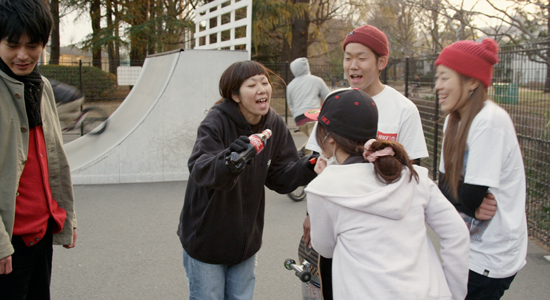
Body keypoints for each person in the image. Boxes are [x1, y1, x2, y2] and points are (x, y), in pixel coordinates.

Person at [302, 24, 430, 299]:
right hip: (335, 225)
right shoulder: (334, 101)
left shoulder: (404, 109)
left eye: (362, 57)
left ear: (381, 61)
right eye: (348, 57)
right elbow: (317, 160)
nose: (353, 65)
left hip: (383, 233)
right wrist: (311, 214)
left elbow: (413, 173)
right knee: (333, 287)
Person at [305, 88, 470, 300]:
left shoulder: (324, 190)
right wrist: (454, 294)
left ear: (330, 140)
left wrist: (326, 177)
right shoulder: (412, 176)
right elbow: (457, 233)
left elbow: (325, 248)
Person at [177, 60, 318, 300]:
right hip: (207, 240)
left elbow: (281, 178)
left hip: (244, 241)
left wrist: (309, 165)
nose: (262, 89)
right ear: (235, 95)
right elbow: (200, 168)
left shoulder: (273, 123)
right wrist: (230, 161)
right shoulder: (216, 121)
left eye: (265, 83)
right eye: (252, 85)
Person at [434, 38, 528, 299]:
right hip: (466, 248)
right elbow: (444, 186)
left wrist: (465, 200)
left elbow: (469, 195)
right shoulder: (453, 121)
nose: (437, 86)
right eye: (437, 78)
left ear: (472, 81)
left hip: (491, 257)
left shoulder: (489, 121)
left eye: (444, 77)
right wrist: (466, 202)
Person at [0, 0, 77, 298]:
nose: (23, 55)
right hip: (8, 239)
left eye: (32, 45)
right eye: (12, 44)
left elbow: (54, 157)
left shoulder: (41, 86)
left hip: (41, 233)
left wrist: (66, 216)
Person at [286, 57, 330, 154]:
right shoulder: (317, 80)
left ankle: (306, 155)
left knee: (316, 139)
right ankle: (302, 150)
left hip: (299, 119)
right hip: (313, 116)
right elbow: (329, 97)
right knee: (321, 139)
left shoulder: (290, 86)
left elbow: (290, 104)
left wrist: (296, 116)